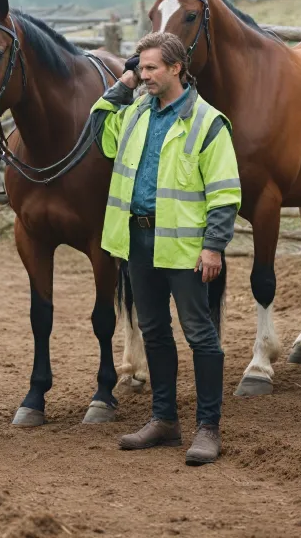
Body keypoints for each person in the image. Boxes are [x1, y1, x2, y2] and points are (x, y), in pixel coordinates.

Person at [90, 32, 241, 465]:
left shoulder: (208, 122)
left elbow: (225, 191)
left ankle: (208, 428)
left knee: (200, 335)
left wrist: (213, 247)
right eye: (142, 68)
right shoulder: (136, 111)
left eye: (151, 68)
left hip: (187, 248)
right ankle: (164, 420)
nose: (144, 75)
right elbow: (100, 132)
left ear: (177, 68)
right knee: (153, 331)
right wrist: (122, 84)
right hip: (138, 240)